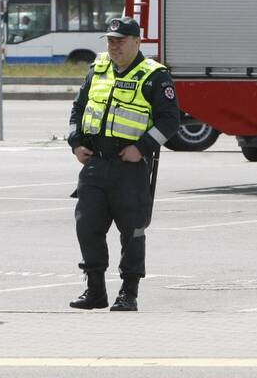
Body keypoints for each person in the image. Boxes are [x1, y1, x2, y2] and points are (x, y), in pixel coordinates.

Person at [66, 16, 180, 312]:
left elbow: (170, 121)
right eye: (110, 41)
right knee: (86, 226)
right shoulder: (99, 68)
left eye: (120, 41)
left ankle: (128, 293)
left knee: (132, 232)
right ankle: (95, 292)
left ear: (137, 42)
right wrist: (76, 142)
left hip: (129, 167)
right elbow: (79, 108)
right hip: (94, 164)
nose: (114, 46)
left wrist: (142, 148)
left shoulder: (154, 75)